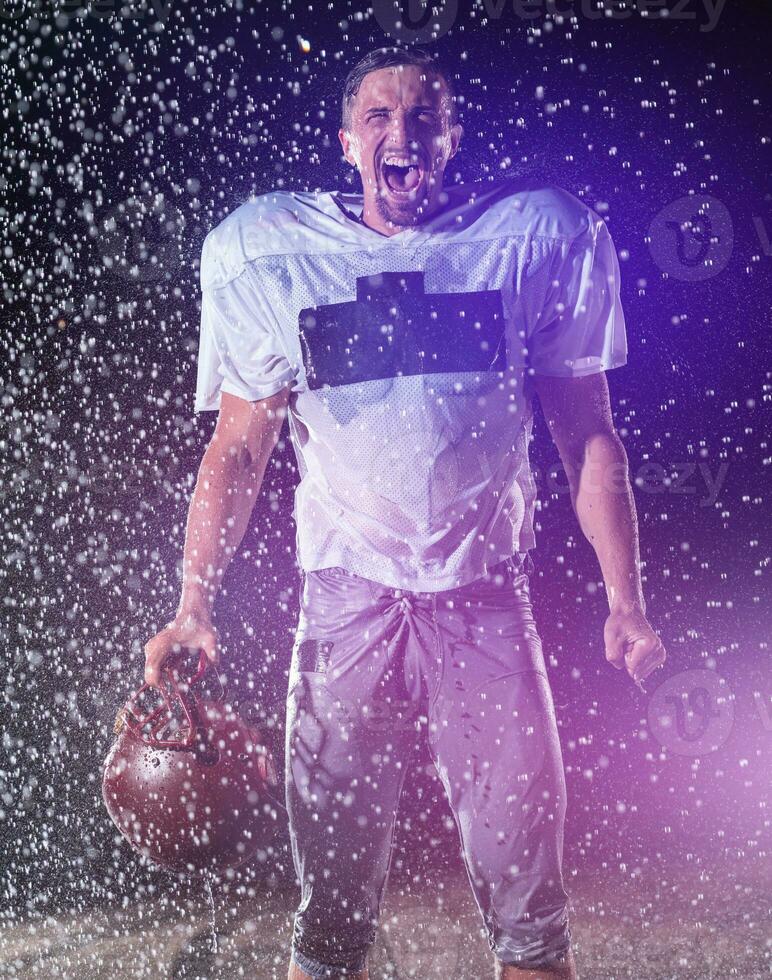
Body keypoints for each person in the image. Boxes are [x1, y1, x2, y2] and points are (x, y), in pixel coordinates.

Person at [144, 46, 667, 980]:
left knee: (532, 919)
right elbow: (237, 449)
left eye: (424, 116)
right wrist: (194, 601)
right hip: (347, 601)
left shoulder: (532, 240)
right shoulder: (274, 252)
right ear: (348, 143)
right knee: (331, 922)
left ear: (452, 138)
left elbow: (590, 439)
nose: (403, 131)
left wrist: (624, 601)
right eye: (379, 117)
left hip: (481, 597)